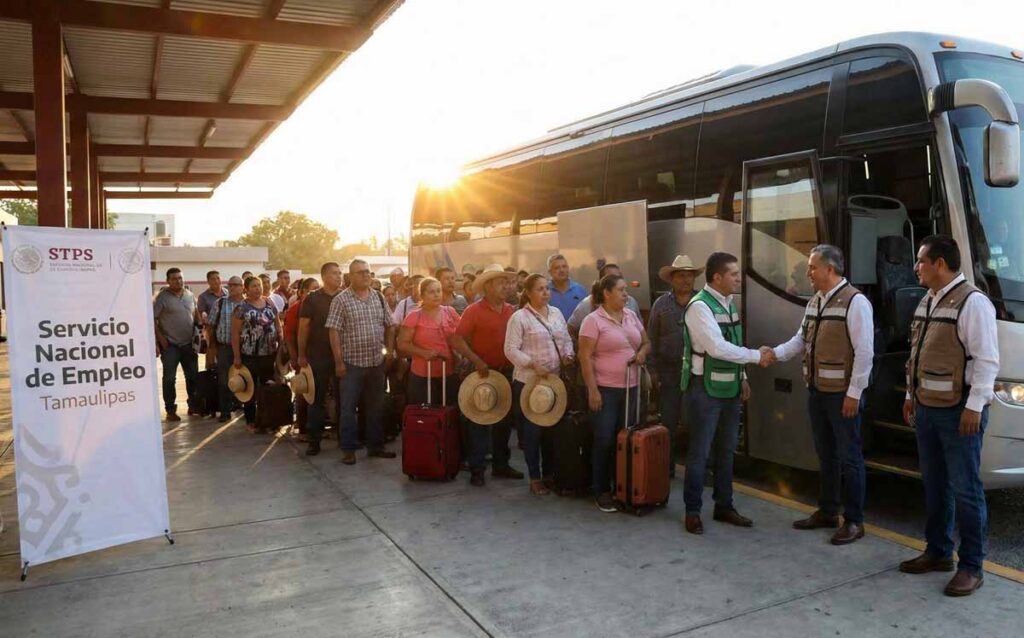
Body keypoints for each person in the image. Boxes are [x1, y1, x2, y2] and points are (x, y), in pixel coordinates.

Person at [898, 235, 998, 597]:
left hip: (959, 412)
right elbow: (918, 352)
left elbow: (986, 359)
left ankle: (972, 565)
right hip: (927, 408)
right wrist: (911, 395)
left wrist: (974, 406)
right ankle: (939, 551)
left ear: (940, 263)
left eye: (921, 261)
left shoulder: (973, 303)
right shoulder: (927, 300)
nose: (916, 267)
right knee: (935, 484)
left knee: (966, 489)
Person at [765, 245, 873, 545]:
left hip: (842, 396)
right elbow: (801, 339)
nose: (808, 272)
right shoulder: (815, 301)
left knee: (850, 458)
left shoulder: (856, 302)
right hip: (818, 391)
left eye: (812, 267)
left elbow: (865, 353)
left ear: (830, 269)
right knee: (827, 455)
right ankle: (828, 511)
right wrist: (774, 354)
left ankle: (854, 521)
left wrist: (854, 393)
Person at [681, 252, 766, 535]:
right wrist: (756, 357)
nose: (738, 278)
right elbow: (716, 347)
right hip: (705, 390)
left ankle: (724, 506)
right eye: (733, 274)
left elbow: (735, 341)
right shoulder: (699, 307)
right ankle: (692, 511)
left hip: (729, 388)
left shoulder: (729, 305)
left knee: (726, 451)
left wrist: (742, 376)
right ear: (717, 277)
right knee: (700, 453)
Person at [578, 274, 651, 512]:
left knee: (625, 440)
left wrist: (641, 354)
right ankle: (601, 489)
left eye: (626, 289)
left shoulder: (630, 315)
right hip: (606, 390)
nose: (625, 293)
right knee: (604, 440)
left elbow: (646, 342)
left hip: (631, 388)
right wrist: (593, 390)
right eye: (621, 290)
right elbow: (585, 357)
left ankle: (624, 486)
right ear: (607, 293)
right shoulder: (593, 320)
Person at [450, 265, 524, 486]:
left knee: (503, 423)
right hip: (482, 373)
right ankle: (477, 468)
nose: (505, 286)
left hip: (506, 373)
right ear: (488, 286)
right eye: (500, 282)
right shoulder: (474, 310)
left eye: (506, 282)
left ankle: (501, 465)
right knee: (479, 423)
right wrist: (476, 360)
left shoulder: (512, 310)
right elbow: (457, 339)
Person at [504, 274, 574, 495]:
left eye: (547, 288)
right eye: (540, 289)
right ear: (529, 292)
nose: (545, 292)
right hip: (529, 383)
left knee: (553, 432)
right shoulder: (519, 317)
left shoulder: (556, 313)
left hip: (554, 383)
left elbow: (565, 339)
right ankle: (535, 477)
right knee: (533, 433)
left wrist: (568, 355)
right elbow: (510, 350)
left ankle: (549, 474)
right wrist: (533, 364)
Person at [326, 260, 398, 465]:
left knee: (376, 406)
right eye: (361, 272)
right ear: (351, 276)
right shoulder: (341, 300)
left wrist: (390, 351)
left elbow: (390, 325)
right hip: (351, 365)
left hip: (376, 362)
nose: (366, 275)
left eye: (368, 272)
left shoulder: (378, 297)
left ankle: (375, 446)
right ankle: (348, 449)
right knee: (348, 409)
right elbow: (334, 332)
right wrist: (339, 362)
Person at [648, 255, 703, 477]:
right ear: (672, 279)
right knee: (668, 423)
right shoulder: (660, 305)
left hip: (697, 372)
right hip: (669, 372)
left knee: (697, 423)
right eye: (681, 275)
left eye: (689, 275)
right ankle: (666, 468)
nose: (686, 280)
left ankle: (697, 470)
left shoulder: (703, 302)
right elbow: (651, 338)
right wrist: (652, 371)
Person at [297, 262, 345, 456]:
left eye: (340, 273)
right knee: (316, 401)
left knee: (344, 400)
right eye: (334, 273)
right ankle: (314, 441)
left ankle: (345, 438)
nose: (339, 276)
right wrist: (301, 354)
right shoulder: (312, 299)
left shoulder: (346, 296)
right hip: (318, 356)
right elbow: (303, 328)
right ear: (324, 276)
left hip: (343, 356)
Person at [231, 276, 283, 432]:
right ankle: (251, 421)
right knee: (250, 389)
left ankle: (268, 420)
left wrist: (280, 340)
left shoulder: (269, 303)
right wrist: (237, 356)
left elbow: (277, 323)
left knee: (269, 388)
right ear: (246, 289)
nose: (258, 288)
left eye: (259, 285)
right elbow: (235, 333)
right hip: (249, 355)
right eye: (253, 286)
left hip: (269, 354)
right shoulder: (242, 308)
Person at [398, 277, 460, 403]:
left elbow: (461, 336)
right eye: (431, 292)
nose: (436, 295)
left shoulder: (450, 312)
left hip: (448, 372)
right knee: (426, 415)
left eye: (438, 291)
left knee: (449, 411)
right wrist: (423, 353)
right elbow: (402, 344)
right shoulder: (414, 316)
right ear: (422, 295)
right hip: (423, 375)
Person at [154, 267, 200, 421]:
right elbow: (153, 319)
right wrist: (160, 339)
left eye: (180, 278)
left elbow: (196, 315)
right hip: (170, 346)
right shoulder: (162, 298)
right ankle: (170, 409)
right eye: (174, 278)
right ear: (167, 281)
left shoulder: (190, 295)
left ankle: (193, 405)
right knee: (169, 378)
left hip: (189, 345)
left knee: (192, 376)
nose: (178, 281)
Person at [206, 276, 245, 423]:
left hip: (244, 349)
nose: (232, 287)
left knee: (244, 378)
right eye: (230, 285)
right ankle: (225, 411)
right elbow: (210, 325)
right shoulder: (221, 303)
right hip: (224, 348)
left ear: (242, 287)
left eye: (236, 285)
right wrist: (212, 347)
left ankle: (243, 406)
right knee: (224, 380)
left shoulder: (247, 304)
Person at [566, 263, 642, 340]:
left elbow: (641, 331)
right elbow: (571, 329)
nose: (617, 280)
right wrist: (581, 345)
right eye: (612, 278)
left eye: (619, 277)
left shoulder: (631, 302)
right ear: (602, 282)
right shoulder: (587, 304)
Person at [546, 254, 588, 321]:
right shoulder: (545, 292)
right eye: (557, 268)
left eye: (564, 266)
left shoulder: (580, 290)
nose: (561, 270)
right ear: (550, 272)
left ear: (568, 268)